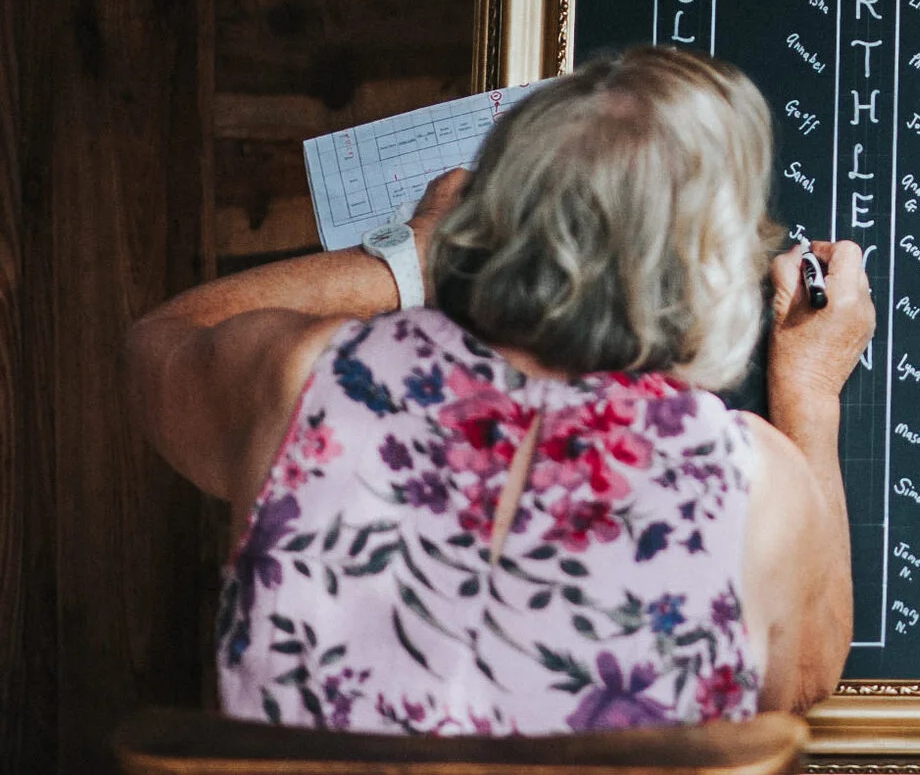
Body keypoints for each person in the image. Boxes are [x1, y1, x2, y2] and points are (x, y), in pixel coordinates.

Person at [123, 46, 873, 734]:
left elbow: (157, 342)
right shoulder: (751, 484)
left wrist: (408, 257)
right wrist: (809, 392)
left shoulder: (304, 379)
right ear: (709, 274)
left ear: (489, 210)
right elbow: (803, 679)